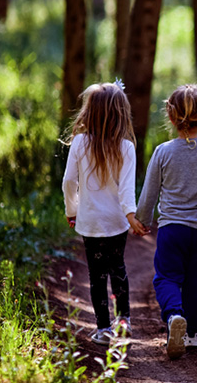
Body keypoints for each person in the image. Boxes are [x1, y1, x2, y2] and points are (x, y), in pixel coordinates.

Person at [136, 84, 197, 360]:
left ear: (170, 114)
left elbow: (150, 191)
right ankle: (191, 334)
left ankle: (174, 315)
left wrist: (142, 219)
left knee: (166, 277)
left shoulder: (163, 151)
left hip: (171, 229)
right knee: (196, 282)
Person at [63, 82, 147, 346]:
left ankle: (102, 329)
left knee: (96, 275)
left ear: (90, 112)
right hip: (117, 222)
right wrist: (131, 216)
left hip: (89, 222)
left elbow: (68, 181)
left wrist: (72, 209)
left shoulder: (79, 142)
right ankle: (124, 320)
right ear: (121, 113)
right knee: (118, 268)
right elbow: (126, 190)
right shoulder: (126, 148)